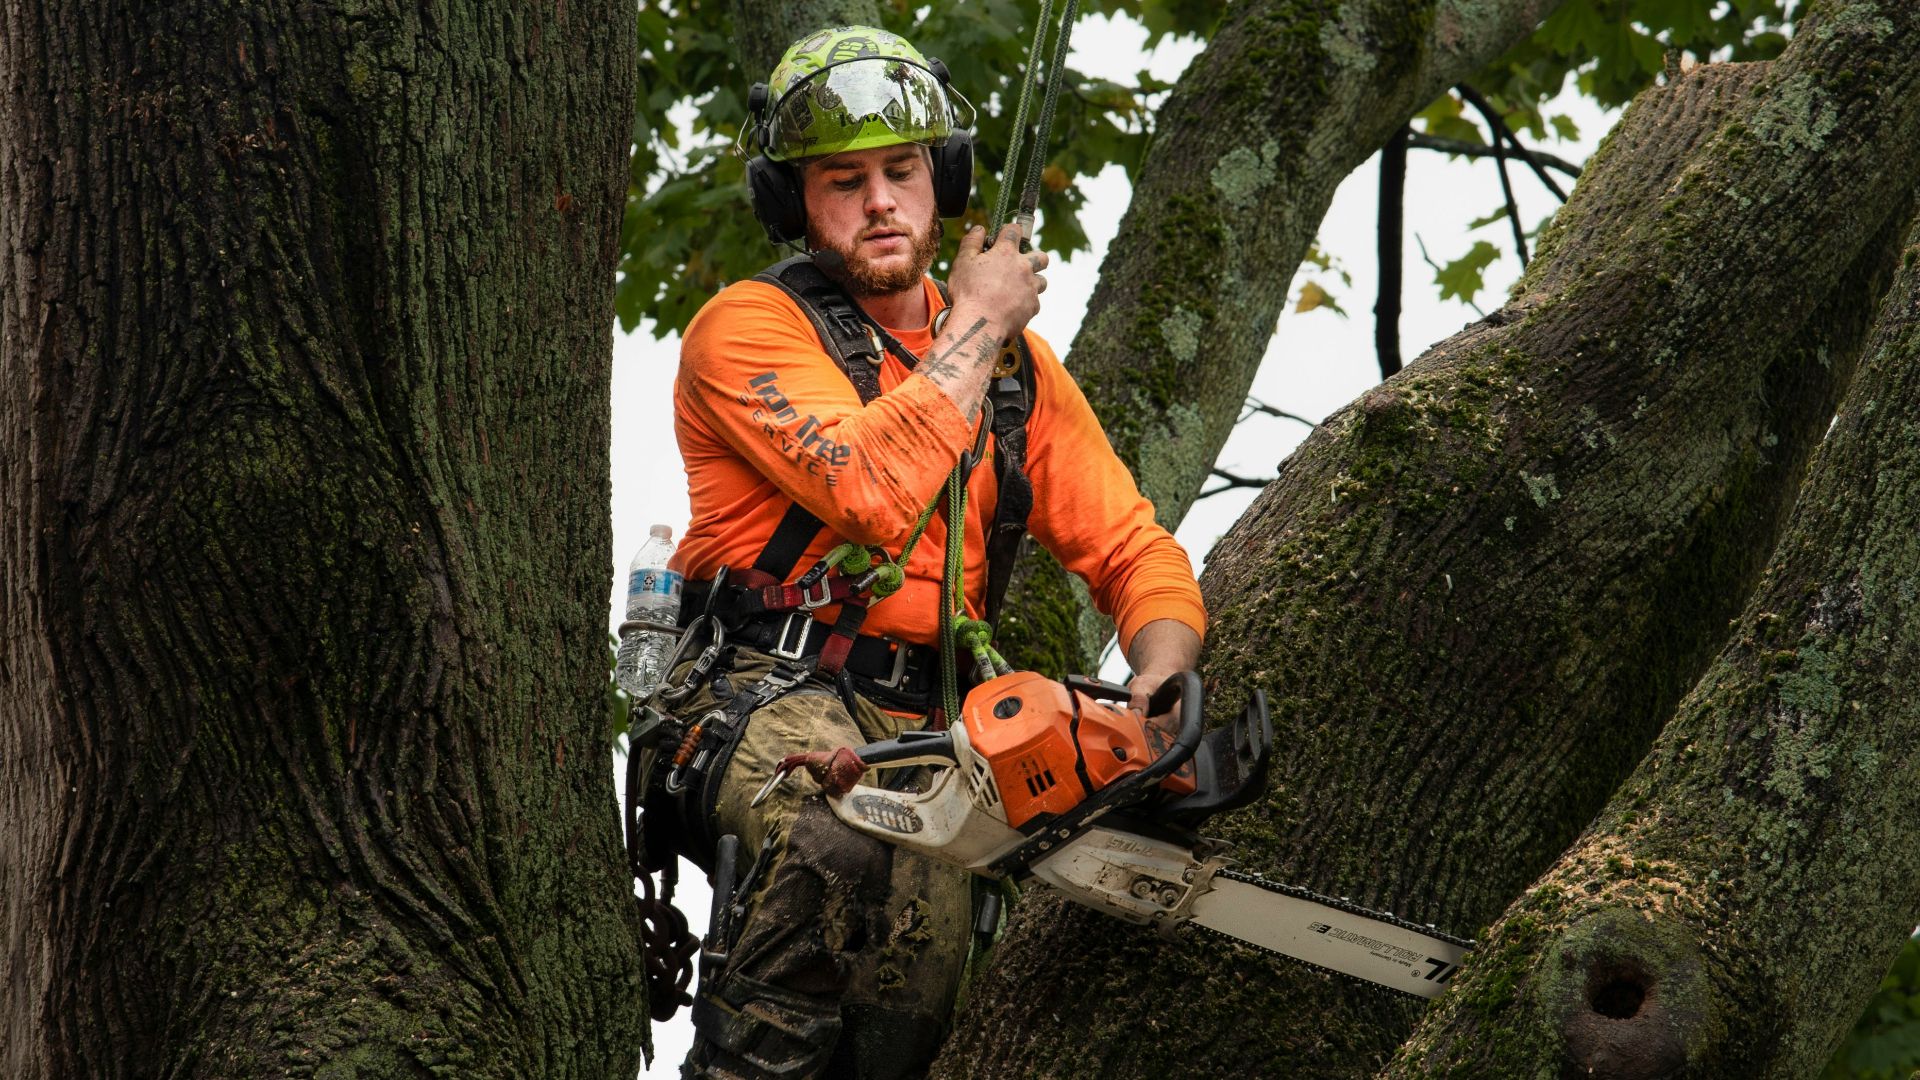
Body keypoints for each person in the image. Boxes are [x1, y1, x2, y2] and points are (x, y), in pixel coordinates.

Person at [655, 24, 1205, 1079]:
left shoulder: (1016, 373)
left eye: (902, 171)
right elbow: (869, 490)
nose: (879, 203)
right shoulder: (747, 330)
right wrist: (981, 321)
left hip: (931, 723)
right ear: (794, 202)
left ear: (938, 179)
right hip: (763, 690)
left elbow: (1132, 547)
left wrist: (1164, 669)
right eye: (844, 180)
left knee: (919, 1011)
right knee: (840, 835)